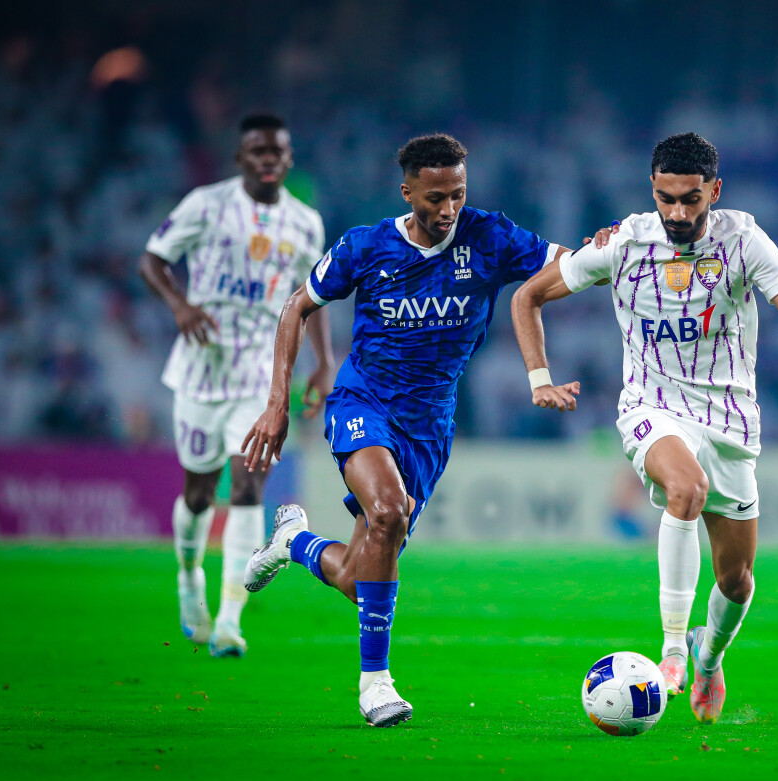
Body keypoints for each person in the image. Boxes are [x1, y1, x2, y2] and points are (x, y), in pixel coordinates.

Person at [510, 132, 778, 724]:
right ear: (652, 188)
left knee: (737, 581)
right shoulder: (623, 243)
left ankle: (707, 658)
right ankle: (670, 652)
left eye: (691, 199)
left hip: (729, 420)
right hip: (652, 406)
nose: (677, 213)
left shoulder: (744, 241)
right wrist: (539, 376)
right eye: (666, 198)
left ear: (714, 191)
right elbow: (527, 296)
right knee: (686, 488)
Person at [240, 133, 566, 727]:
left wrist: (611, 248)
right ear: (407, 192)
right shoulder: (366, 246)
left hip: (429, 425)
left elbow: (567, 265)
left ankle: (294, 542)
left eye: (458, 195)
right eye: (435, 198)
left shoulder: (489, 237)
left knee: (358, 575)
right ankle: (376, 684)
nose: (448, 209)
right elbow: (297, 307)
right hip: (363, 401)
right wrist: (277, 403)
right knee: (389, 512)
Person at [139, 113, 331, 657]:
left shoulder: (305, 224)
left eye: (277, 152)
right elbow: (152, 260)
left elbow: (313, 297)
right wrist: (179, 305)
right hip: (202, 369)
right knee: (199, 493)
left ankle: (229, 619)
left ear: (288, 160)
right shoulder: (206, 205)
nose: (268, 160)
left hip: (261, 375)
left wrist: (324, 362)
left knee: (248, 489)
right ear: (240, 158)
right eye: (258, 151)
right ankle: (189, 576)